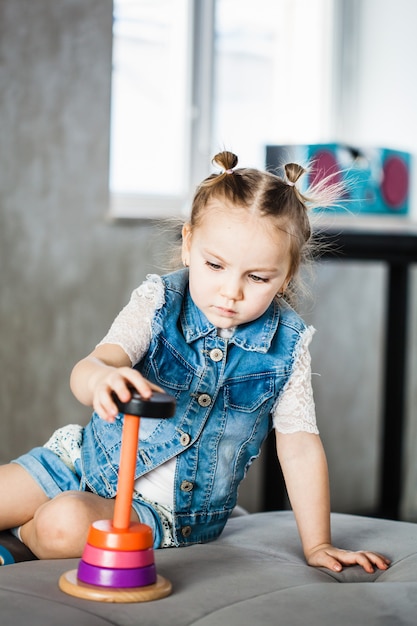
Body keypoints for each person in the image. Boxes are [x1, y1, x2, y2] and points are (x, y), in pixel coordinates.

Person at [0, 151, 390, 573]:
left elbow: (299, 447)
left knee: (64, 523)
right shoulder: (158, 301)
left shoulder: (289, 346)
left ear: (288, 273)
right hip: (83, 461)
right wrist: (102, 379)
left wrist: (318, 544)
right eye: (215, 265)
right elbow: (94, 364)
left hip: (167, 513)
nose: (231, 292)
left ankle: (18, 543)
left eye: (257, 277)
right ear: (188, 245)